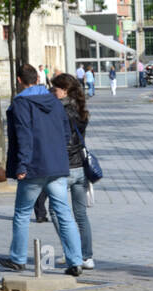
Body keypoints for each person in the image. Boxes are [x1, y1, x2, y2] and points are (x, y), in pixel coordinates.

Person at [0, 63, 83, 276]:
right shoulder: (53, 101)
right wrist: (58, 155)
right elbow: (66, 132)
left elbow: (24, 135)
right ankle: (76, 261)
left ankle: (17, 258)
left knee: (22, 213)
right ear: (37, 79)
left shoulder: (21, 103)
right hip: (57, 165)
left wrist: (22, 165)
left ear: (19, 80)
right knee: (64, 213)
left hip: (34, 167)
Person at [50, 73, 94, 268]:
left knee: (55, 211)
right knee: (81, 214)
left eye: (55, 89)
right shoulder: (81, 109)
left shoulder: (58, 110)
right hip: (80, 168)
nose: (53, 92)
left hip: (63, 167)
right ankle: (87, 256)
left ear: (64, 90)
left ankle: (71, 250)